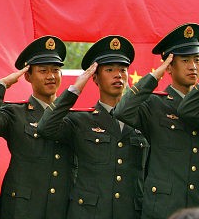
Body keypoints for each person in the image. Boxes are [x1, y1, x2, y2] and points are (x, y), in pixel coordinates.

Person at [38, 35, 148, 219]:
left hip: (131, 212)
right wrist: (76, 88)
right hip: (89, 213)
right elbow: (45, 127)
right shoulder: (81, 120)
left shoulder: (143, 120)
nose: (118, 75)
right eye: (110, 70)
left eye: (123, 70)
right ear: (95, 78)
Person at [0, 35, 73, 219]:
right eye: (43, 71)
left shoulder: (72, 117)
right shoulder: (16, 113)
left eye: (55, 70)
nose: (51, 76)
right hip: (22, 209)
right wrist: (1, 85)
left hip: (60, 208)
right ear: (27, 76)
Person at [115, 23, 199, 218]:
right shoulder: (154, 103)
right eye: (185, 60)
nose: (193, 66)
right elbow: (122, 111)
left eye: (197, 59)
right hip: (164, 207)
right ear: (169, 66)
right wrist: (154, 76)